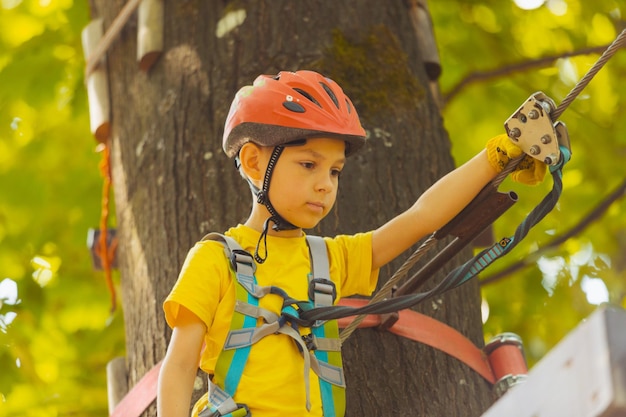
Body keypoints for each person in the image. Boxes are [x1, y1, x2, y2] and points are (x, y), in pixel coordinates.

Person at [157, 70, 546, 417]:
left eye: (335, 171)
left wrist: (497, 158)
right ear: (255, 162)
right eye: (309, 165)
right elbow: (179, 366)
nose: (325, 183)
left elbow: (422, 216)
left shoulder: (331, 260)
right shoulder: (215, 259)